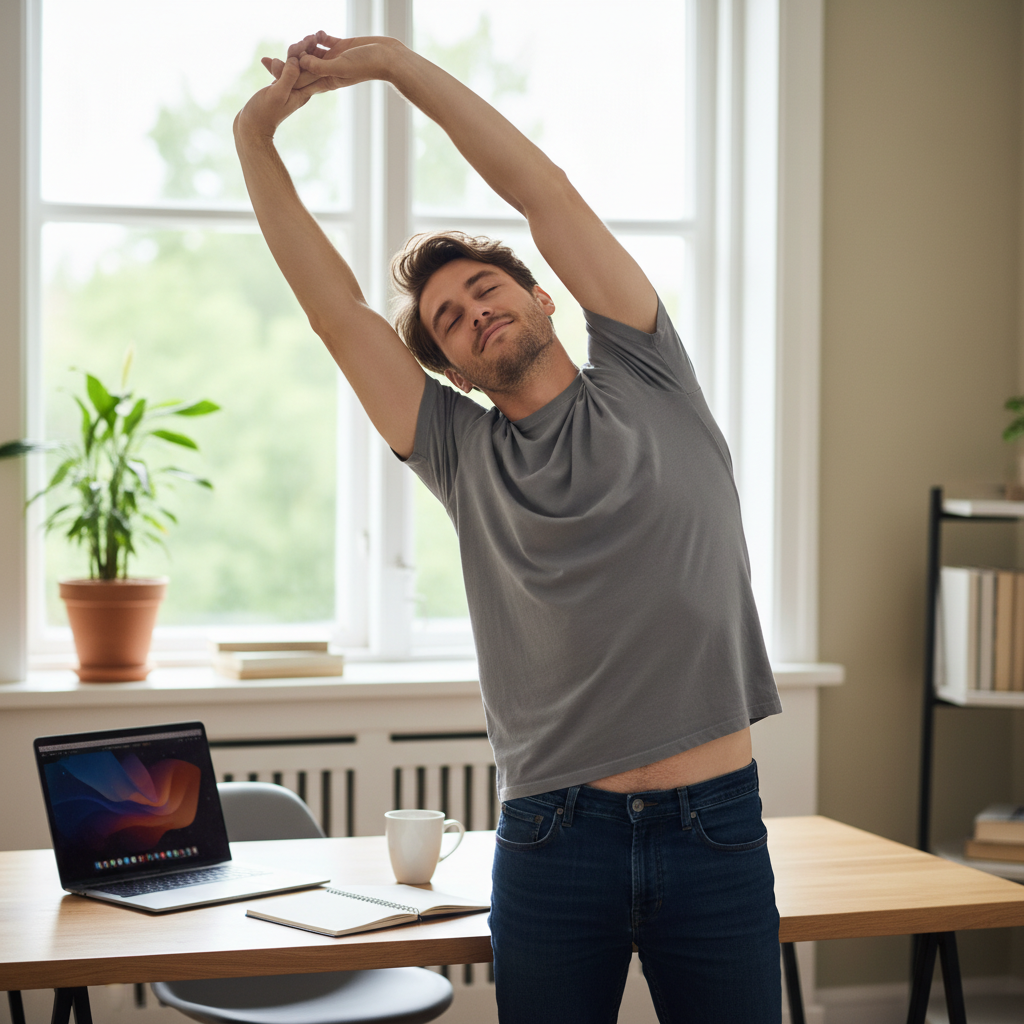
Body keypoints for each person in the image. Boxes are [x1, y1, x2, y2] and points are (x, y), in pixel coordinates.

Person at [235, 31, 784, 1023]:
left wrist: (395, 65)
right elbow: (335, 310)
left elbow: (544, 192)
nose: (469, 310)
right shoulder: (460, 451)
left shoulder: (650, 372)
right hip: (552, 840)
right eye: (445, 317)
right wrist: (253, 139)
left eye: (485, 288)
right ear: (447, 370)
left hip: (716, 828)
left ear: (541, 297)